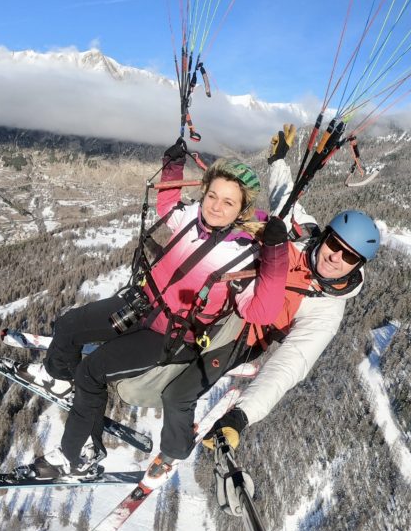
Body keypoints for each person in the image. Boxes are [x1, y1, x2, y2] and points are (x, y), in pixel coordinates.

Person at [16, 138, 289, 481]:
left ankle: (77, 454)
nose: (216, 207)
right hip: (142, 302)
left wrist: (276, 253)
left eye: (228, 202)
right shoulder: (190, 217)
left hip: (169, 335)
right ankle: (59, 377)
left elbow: (261, 312)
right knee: (69, 325)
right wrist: (172, 166)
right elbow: (166, 205)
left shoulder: (245, 255)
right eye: (212, 196)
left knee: (93, 371)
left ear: (241, 210)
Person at [148, 124, 381, 470]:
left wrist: (241, 416)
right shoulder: (305, 234)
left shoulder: (326, 311)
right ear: (326, 237)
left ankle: (173, 451)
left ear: (358, 265)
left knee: (176, 393)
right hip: (225, 291)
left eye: (349, 257)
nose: (336, 257)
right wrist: (277, 160)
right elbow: (286, 196)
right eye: (334, 245)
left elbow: (291, 365)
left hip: (243, 332)